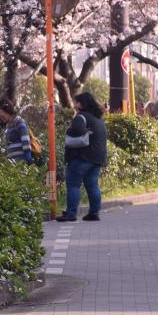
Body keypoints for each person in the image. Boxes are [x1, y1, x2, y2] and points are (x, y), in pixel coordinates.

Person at [57, 92, 108, 222]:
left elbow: (77, 132)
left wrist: (69, 131)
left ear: (81, 104)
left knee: (73, 184)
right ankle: (94, 212)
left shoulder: (81, 117)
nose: (75, 104)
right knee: (92, 185)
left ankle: (71, 213)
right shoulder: (98, 117)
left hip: (82, 157)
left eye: (77, 102)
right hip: (97, 157)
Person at [0, 99, 33, 163]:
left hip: (21, 162)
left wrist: (28, 158)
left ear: (6, 110)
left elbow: (25, 141)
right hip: (13, 163)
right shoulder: (9, 125)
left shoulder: (19, 122)